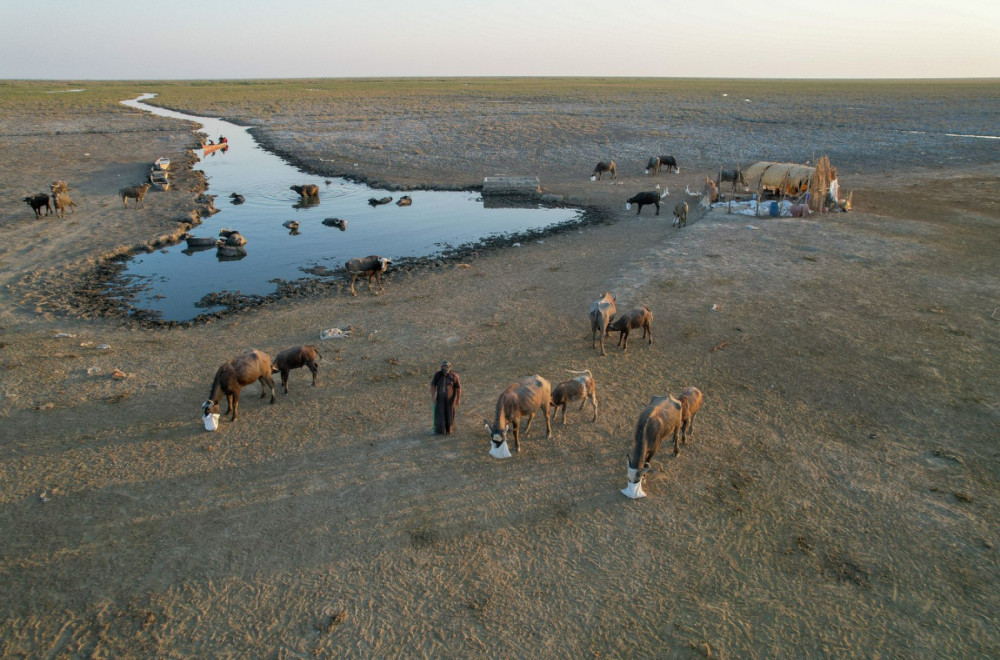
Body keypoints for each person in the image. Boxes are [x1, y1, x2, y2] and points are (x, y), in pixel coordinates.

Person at [430, 361, 461, 435]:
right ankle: (439, 431)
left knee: (449, 414)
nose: (445, 368)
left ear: (450, 367)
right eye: (443, 366)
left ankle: (449, 430)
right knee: (440, 414)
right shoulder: (437, 375)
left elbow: (458, 388)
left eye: (447, 366)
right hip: (440, 400)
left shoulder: (454, 376)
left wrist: (458, 398)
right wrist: (433, 396)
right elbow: (433, 385)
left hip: (450, 401)